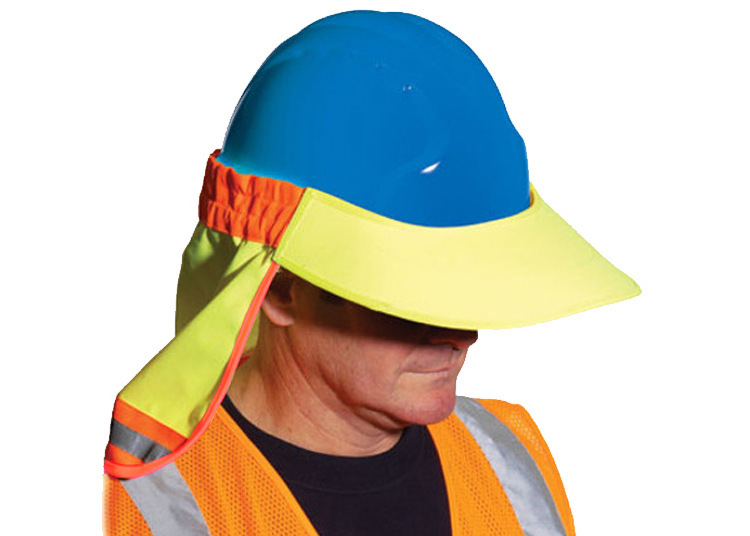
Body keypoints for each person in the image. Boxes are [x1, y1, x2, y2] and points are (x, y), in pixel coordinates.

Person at [103, 10, 640, 536]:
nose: (463, 335)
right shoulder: (141, 503)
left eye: (473, 287)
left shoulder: (509, 459)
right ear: (283, 290)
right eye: (413, 296)